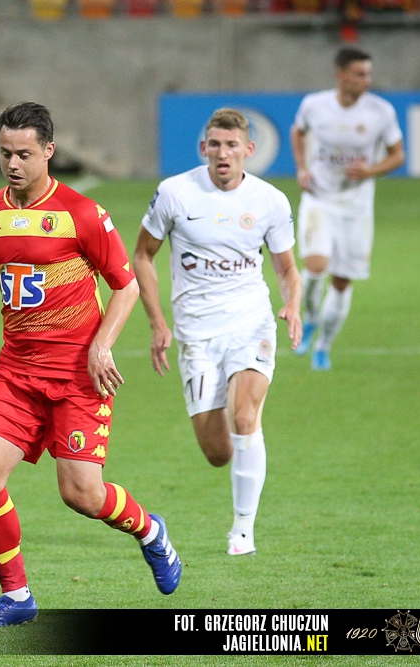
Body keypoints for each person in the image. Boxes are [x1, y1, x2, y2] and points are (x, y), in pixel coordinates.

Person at [0, 102, 181, 628]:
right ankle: (16, 596)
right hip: (16, 372)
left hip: (79, 377)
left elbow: (126, 286)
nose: (13, 163)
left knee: (81, 495)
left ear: (49, 151)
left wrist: (102, 345)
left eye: (24, 154)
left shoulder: (81, 214)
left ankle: (151, 531)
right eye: (5, 153)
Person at [133, 108, 302, 557]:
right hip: (197, 334)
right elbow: (143, 255)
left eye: (232, 145)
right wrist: (157, 322)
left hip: (251, 322)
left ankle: (242, 531)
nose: (223, 153)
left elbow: (287, 267)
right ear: (203, 148)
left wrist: (292, 303)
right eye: (215, 145)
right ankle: (238, 454)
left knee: (245, 418)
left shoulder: (270, 200)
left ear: (249, 150)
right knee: (218, 453)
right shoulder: (175, 193)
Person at [290, 47, 405, 370]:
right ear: (340, 75)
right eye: (360, 74)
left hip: (356, 207)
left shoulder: (381, 112)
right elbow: (298, 132)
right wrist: (302, 168)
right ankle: (311, 316)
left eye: (368, 74)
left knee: (341, 281)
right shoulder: (314, 105)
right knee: (315, 266)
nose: (367, 80)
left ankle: (323, 346)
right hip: (319, 197)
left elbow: (398, 155)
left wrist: (370, 171)